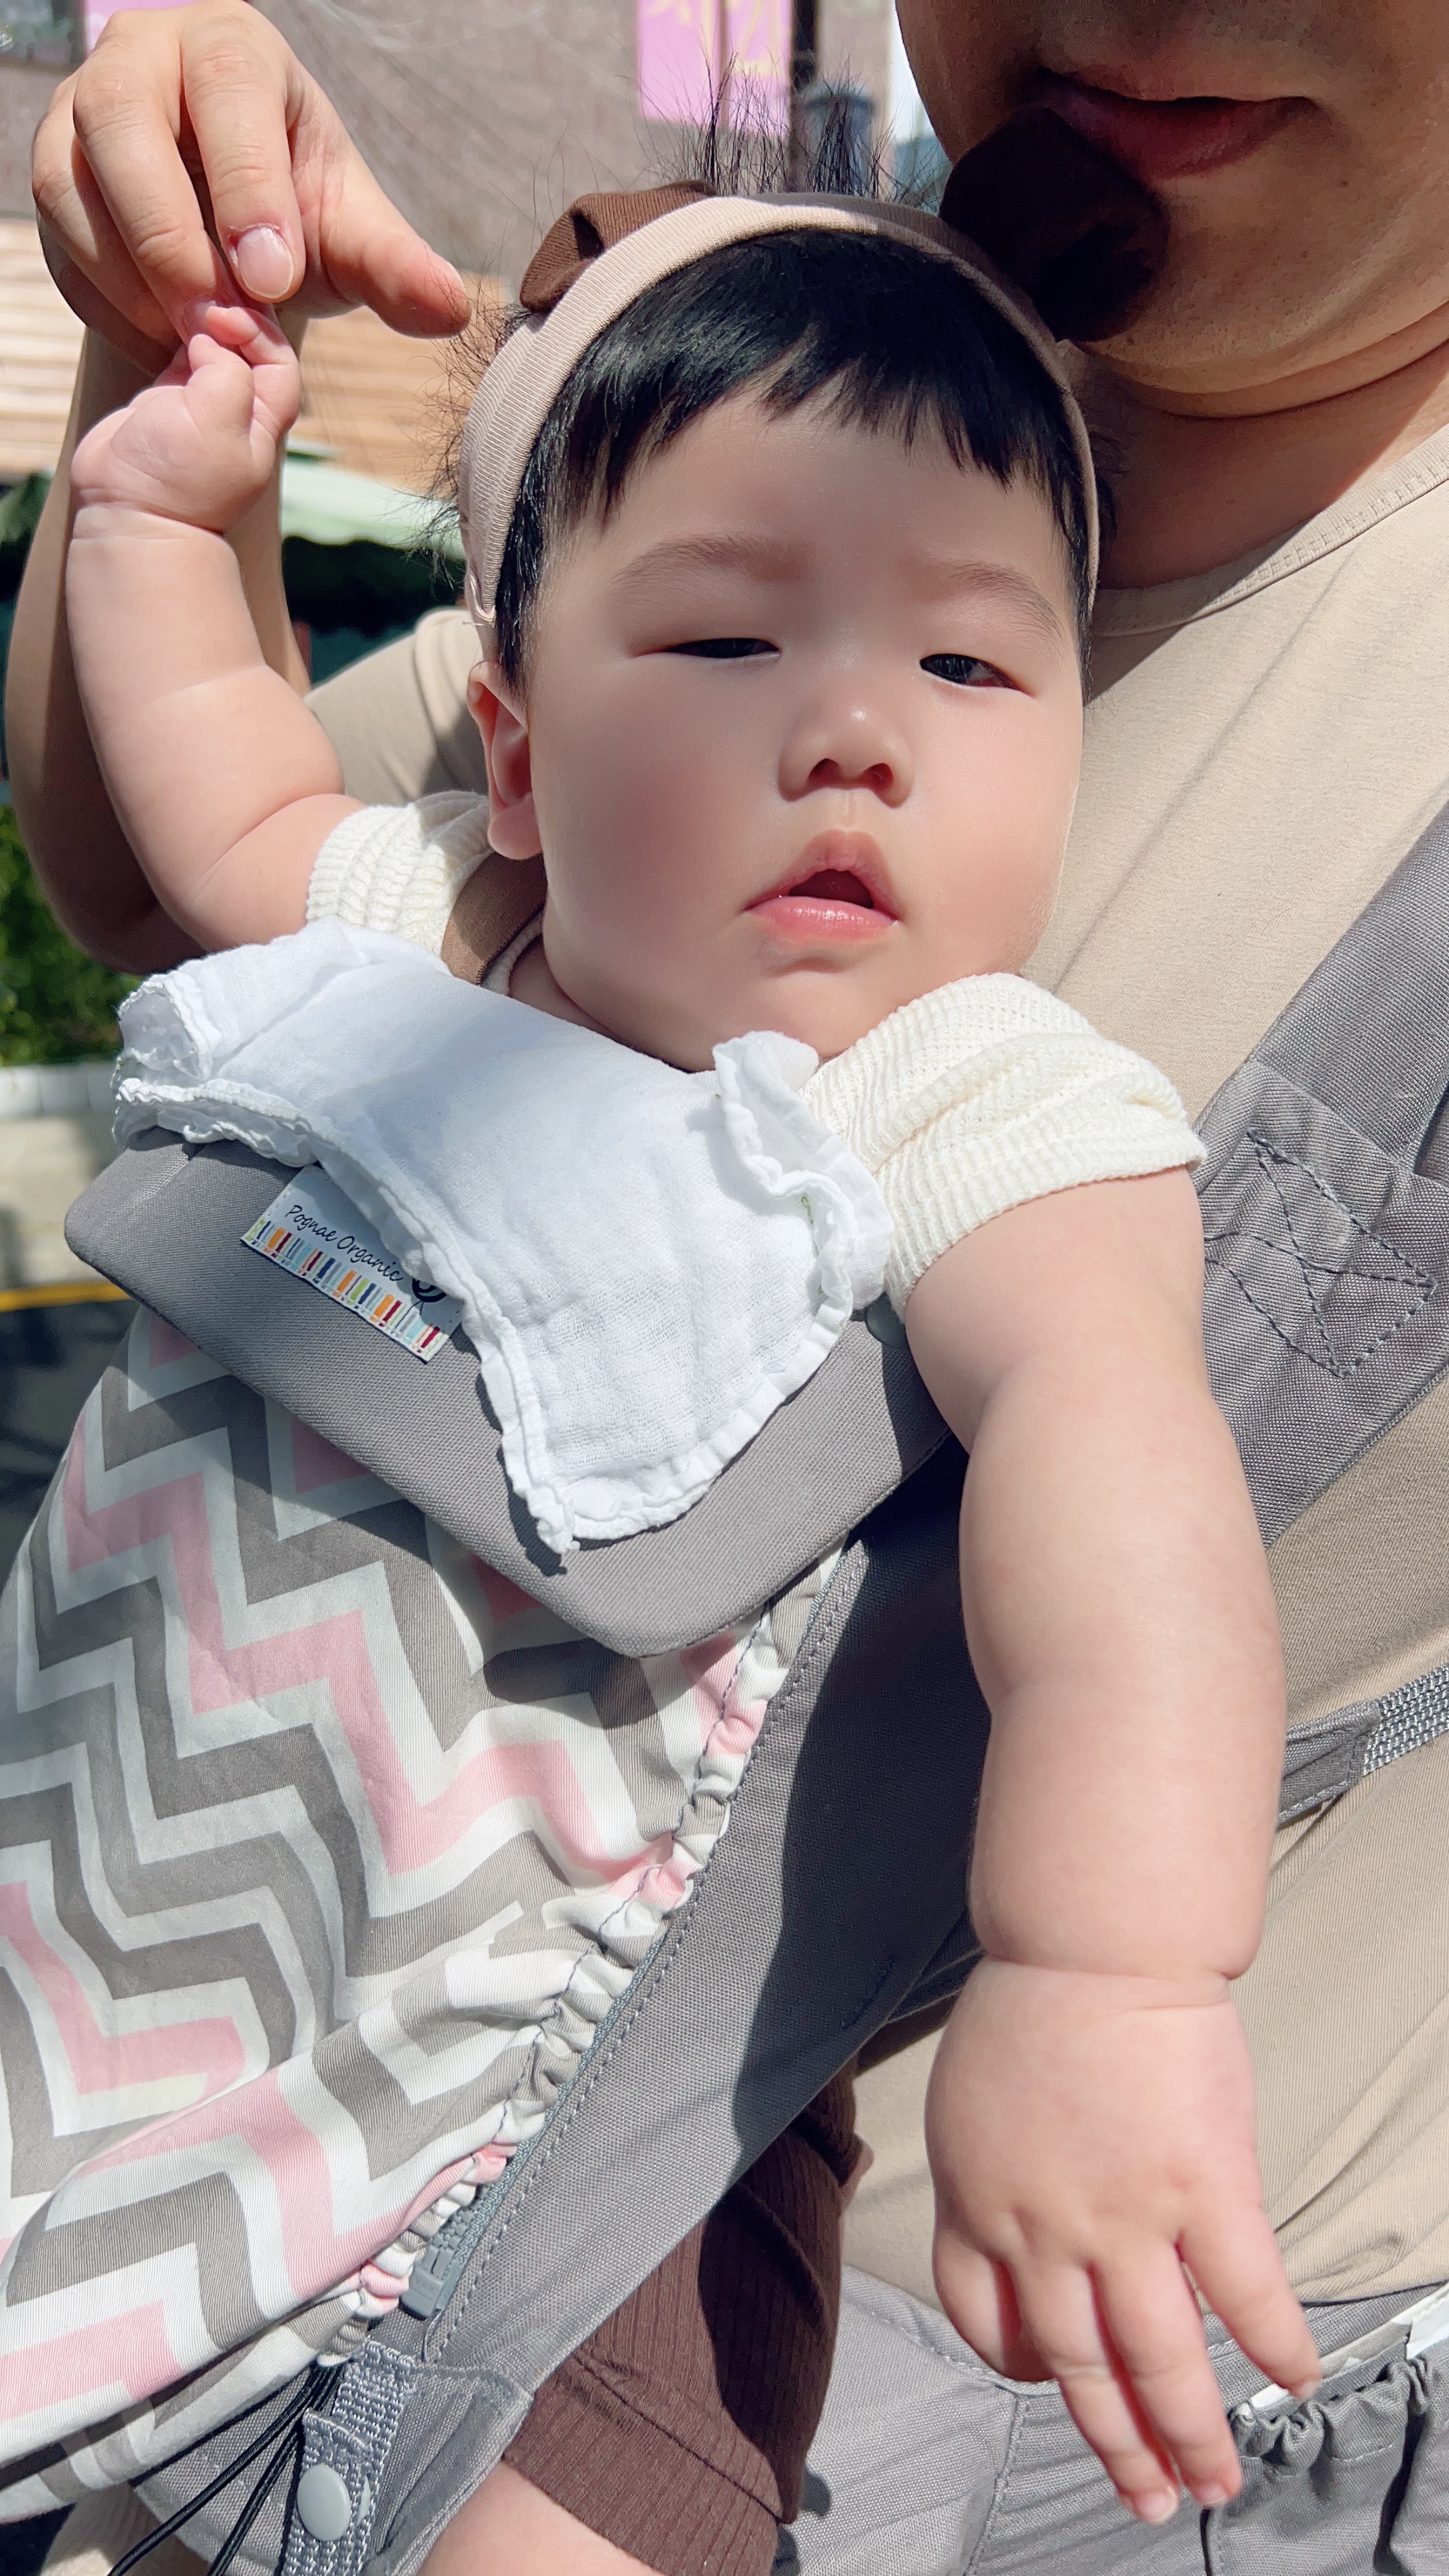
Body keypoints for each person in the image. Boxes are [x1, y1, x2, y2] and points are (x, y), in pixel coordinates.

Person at [13, 3, 1449, 2568]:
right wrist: (157, 452)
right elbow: (203, 809)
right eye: (722, 648)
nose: (855, 734)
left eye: (977, 670)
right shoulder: (482, 900)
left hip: (643, 2100)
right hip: (169, 1925)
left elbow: (1125, 1496)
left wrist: (1104, 1975)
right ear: (521, 737)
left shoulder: (965, 1092)